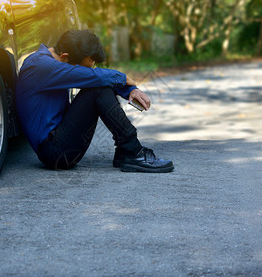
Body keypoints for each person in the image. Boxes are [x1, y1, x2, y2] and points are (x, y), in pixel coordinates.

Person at [15, 30, 173, 173]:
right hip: (55, 152)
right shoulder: (41, 66)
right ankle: (131, 151)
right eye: (84, 68)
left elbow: (97, 77)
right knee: (98, 89)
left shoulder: (52, 62)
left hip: (59, 138)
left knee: (99, 85)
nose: (89, 70)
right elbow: (95, 77)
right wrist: (124, 78)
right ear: (65, 57)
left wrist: (130, 89)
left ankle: (125, 150)